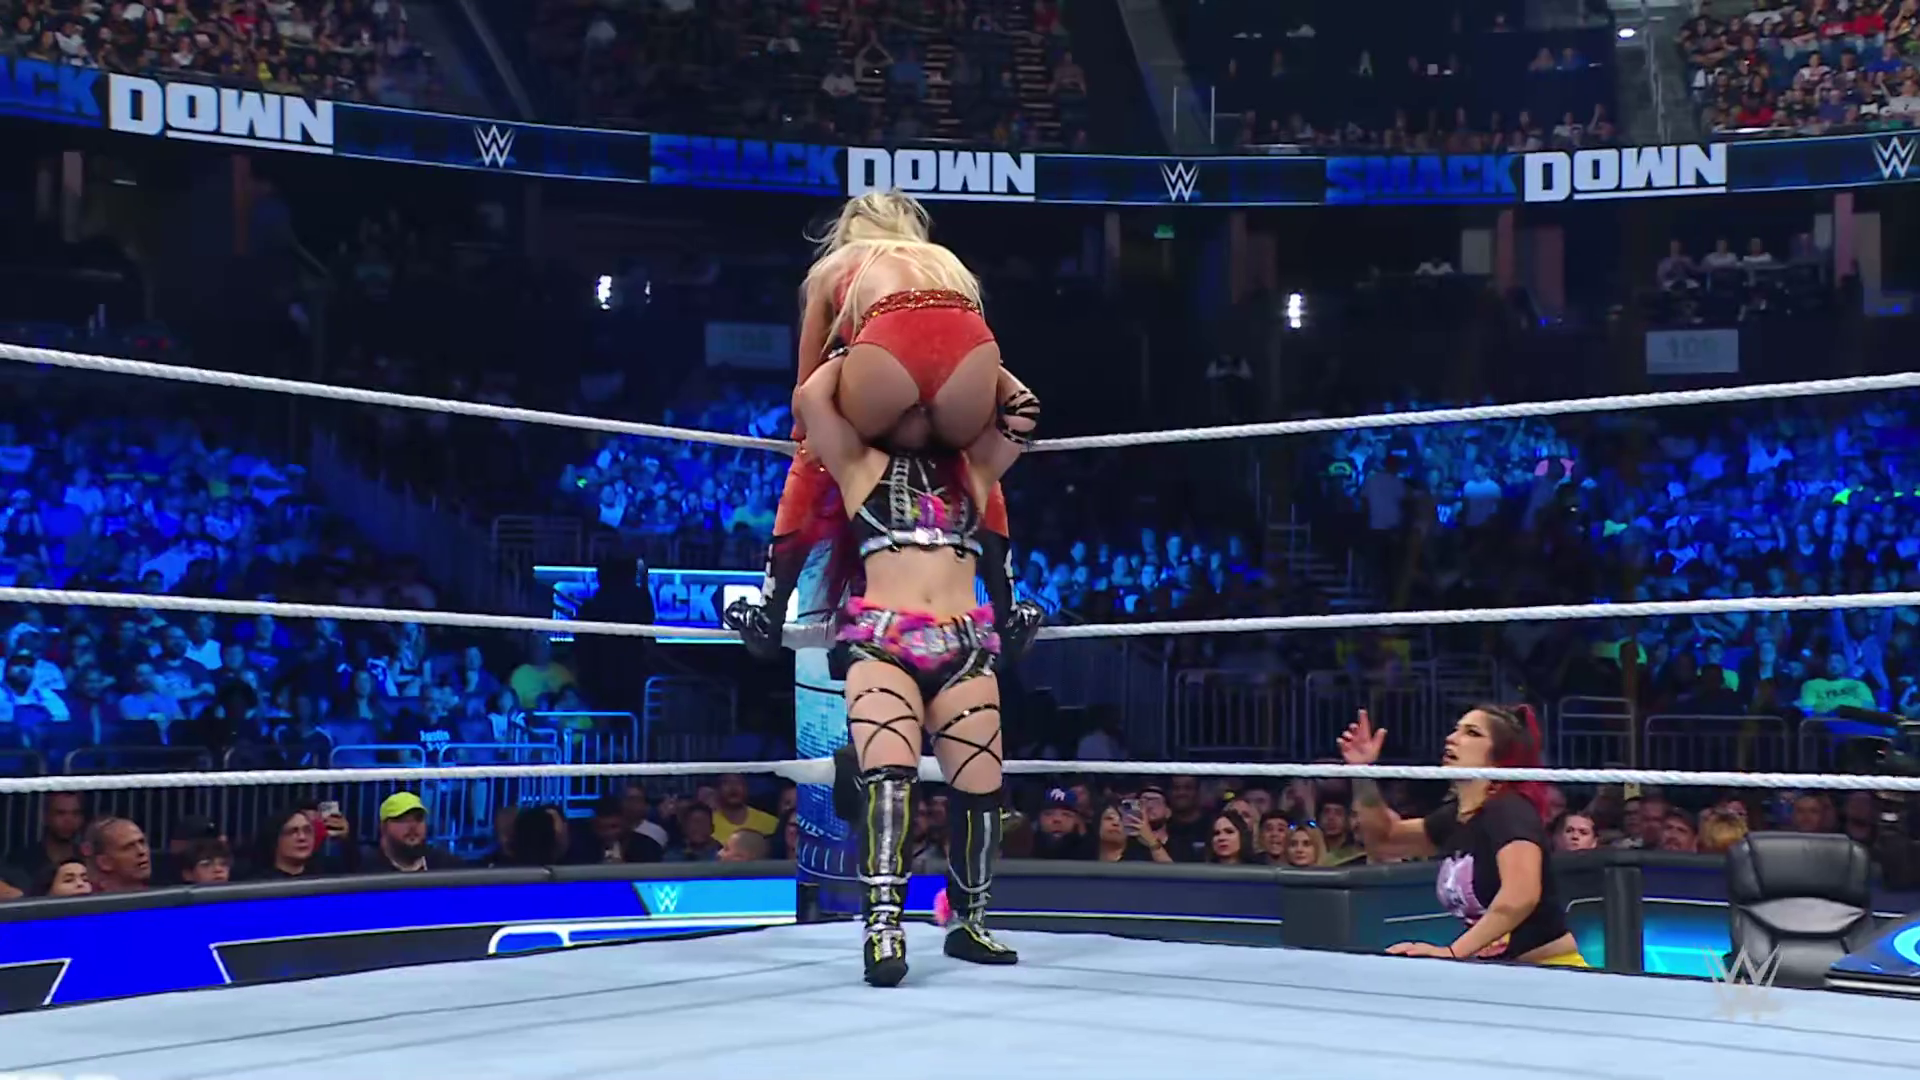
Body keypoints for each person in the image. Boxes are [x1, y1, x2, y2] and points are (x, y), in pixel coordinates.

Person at [792, 348, 1036, 987]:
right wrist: (855, 351)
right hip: (883, 643)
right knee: (889, 780)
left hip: (963, 643)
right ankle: (882, 927)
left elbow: (1023, 411)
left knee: (981, 789)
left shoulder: (974, 470)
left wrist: (968, 353)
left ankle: (969, 920)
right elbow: (811, 400)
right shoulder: (858, 464)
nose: (918, 404)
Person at [724, 191, 1043, 663]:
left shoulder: (837, 266)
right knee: (973, 460)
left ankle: (769, 611)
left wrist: (830, 394)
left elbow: (804, 397)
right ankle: (1007, 608)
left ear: (849, 230)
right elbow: (961, 339)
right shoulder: (947, 263)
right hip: (973, 352)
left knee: (813, 446)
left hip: (888, 348)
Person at [1339, 705, 1587, 967]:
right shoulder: (1458, 816)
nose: (1452, 738)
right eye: (1456, 729)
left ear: (1499, 756)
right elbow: (1384, 840)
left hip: (1550, 970)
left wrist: (1454, 951)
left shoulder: (1510, 810)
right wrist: (1362, 773)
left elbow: (1521, 895)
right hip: (1499, 972)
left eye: (1472, 733)